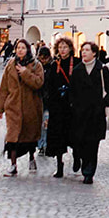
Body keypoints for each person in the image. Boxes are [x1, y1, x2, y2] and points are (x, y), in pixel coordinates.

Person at [0, 40, 45, 176]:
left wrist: (25, 73)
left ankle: (31, 157)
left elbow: (39, 83)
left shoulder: (35, 65)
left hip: (31, 107)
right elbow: (4, 87)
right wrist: (0, 108)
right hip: (13, 106)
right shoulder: (10, 65)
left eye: (23, 48)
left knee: (29, 136)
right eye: (18, 48)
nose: (20, 50)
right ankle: (13, 165)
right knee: (12, 137)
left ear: (28, 50)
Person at [68, 41, 109, 184]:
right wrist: (74, 105)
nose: (84, 52)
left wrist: (102, 104)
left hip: (95, 114)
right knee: (80, 142)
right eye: (82, 50)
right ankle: (79, 159)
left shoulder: (102, 69)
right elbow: (72, 91)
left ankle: (89, 172)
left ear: (94, 52)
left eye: (87, 50)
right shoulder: (77, 70)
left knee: (93, 145)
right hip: (80, 113)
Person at [43, 38, 77, 178]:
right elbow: (48, 85)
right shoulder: (53, 65)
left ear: (70, 49)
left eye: (65, 47)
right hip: (57, 106)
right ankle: (59, 165)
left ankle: (77, 157)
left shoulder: (76, 63)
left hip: (72, 106)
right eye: (60, 47)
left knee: (74, 135)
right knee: (58, 137)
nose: (63, 50)